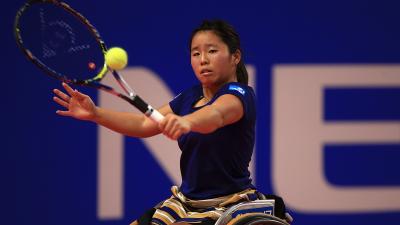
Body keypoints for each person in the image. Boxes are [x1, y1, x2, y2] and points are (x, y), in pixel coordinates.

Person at [53, 20, 267, 225]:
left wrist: (187, 122)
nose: (203, 59)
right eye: (196, 53)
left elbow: (216, 114)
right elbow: (142, 125)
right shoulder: (189, 97)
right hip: (186, 202)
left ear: (235, 57)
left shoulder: (240, 94)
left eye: (212, 51)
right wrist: (95, 113)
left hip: (228, 203)